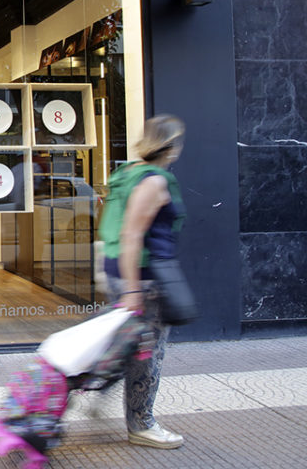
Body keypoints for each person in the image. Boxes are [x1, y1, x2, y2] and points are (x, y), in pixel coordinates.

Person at [100, 114, 186, 449]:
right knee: (148, 354)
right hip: (144, 278)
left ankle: (98, 393)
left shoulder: (127, 173)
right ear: (170, 145)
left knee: (129, 345)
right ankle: (142, 423)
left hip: (120, 272)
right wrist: (134, 288)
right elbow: (132, 234)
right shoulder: (153, 181)